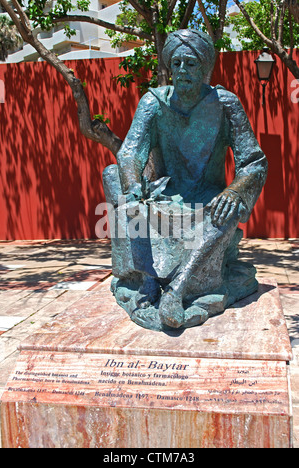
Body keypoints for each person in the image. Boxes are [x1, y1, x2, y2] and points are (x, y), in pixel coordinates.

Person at [103, 29, 268, 331]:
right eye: (176, 63)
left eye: (191, 63)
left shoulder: (225, 104)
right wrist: (134, 186)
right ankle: (148, 280)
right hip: (163, 198)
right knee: (113, 178)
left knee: (229, 207)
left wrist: (234, 191)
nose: (182, 70)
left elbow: (253, 162)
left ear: (205, 67)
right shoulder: (153, 102)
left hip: (207, 203)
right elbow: (129, 155)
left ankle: (177, 290)